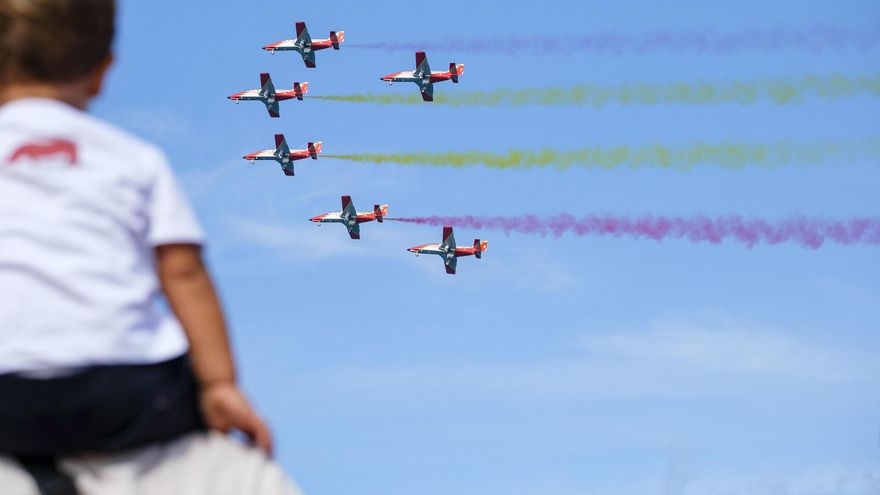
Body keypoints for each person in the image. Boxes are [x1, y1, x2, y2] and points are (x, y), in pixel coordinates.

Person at [0, 1, 300, 493]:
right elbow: (183, 272)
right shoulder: (136, 158)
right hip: (128, 393)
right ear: (101, 72)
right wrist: (220, 384)